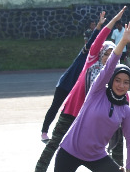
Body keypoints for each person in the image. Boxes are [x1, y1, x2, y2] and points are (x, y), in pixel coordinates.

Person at [23, 22, 130, 172]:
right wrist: (123, 42)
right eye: (118, 80)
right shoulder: (97, 92)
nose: (121, 85)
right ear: (111, 81)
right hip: (69, 151)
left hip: (96, 156)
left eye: (126, 82)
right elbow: (109, 66)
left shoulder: (125, 110)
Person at [34, 7, 127, 172]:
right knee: (55, 141)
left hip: (95, 116)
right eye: (106, 53)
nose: (108, 56)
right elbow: (98, 41)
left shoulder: (114, 75)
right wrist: (113, 21)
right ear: (100, 54)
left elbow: (122, 96)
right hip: (73, 110)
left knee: (118, 135)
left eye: (111, 54)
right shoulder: (91, 62)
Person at [41, 12, 106, 141]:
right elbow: (93, 40)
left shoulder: (96, 61)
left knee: (72, 111)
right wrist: (99, 26)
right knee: (55, 106)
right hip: (65, 84)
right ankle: (44, 132)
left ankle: (72, 134)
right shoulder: (85, 54)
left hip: (78, 89)